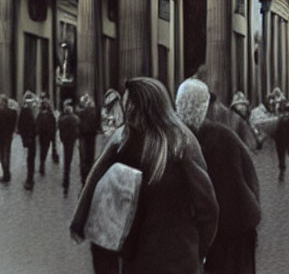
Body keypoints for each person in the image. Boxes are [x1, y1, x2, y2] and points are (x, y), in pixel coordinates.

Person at [70, 76, 219, 274]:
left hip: (140, 256)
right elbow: (208, 207)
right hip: (178, 254)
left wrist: (79, 222)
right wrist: (199, 249)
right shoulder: (181, 140)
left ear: (139, 106)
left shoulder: (124, 138)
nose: (125, 110)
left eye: (128, 104)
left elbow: (94, 181)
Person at [177, 78, 261, 274]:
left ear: (178, 104)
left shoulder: (174, 140)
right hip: (238, 225)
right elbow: (252, 179)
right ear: (205, 106)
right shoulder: (225, 135)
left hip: (210, 231)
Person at [76, 93, 100, 185]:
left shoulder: (81, 112)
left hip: (84, 136)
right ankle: (89, 176)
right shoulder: (93, 111)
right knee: (90, 157)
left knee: (84, 158)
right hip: (91, 135)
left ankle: (84, 178)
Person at [58, 98, 79, 196]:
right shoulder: (74, 118)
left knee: (66, 161)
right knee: (68, 161)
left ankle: (65, 181)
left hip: (65, 141)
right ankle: (66, 180)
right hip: (71, 141)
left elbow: (59, 126)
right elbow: (78, 124)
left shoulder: (62, 119)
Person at [17, 91, 38, 190]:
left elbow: (20, 126)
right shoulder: (28, 111)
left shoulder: (27, 111)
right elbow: (21, 126)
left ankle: (30, 178)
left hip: (30, 138)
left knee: (30, 159)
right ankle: (30, 179)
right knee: (30, 159)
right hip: (30, 138)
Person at [36, 97, 57, 176]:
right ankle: (42, 164)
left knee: (43, 150)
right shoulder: (46, 114)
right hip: (45, 135)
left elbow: (53, 125)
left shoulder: (45, 114)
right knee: (44, 150)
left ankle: (42, 163)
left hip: (45, 135)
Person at [0, 94, 17, 183]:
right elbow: (13, 124)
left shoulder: (1, 112)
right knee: (7, 154)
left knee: (3, 155)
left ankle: (6, 174)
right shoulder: (12, 112)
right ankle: (7, 174)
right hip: (8, 136)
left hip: (2, 137)